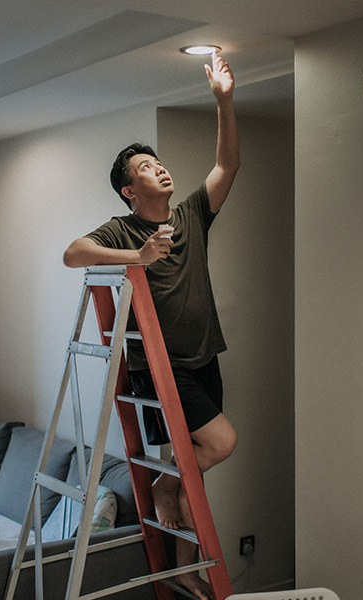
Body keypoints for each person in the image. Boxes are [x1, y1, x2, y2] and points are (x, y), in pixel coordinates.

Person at [62, 52, 239, 600]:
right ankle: (164, 486)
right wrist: (136, 256)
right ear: (128, 190)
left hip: (202, 358)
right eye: (144, 167)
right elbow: (72, 253)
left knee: (195, 468)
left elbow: (227, 166)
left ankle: (184, 569)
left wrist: (223, 101)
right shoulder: (122, 228)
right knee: (220, 444)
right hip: (159, 369)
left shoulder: (189, 215)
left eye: (157, 161)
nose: (157, 167)